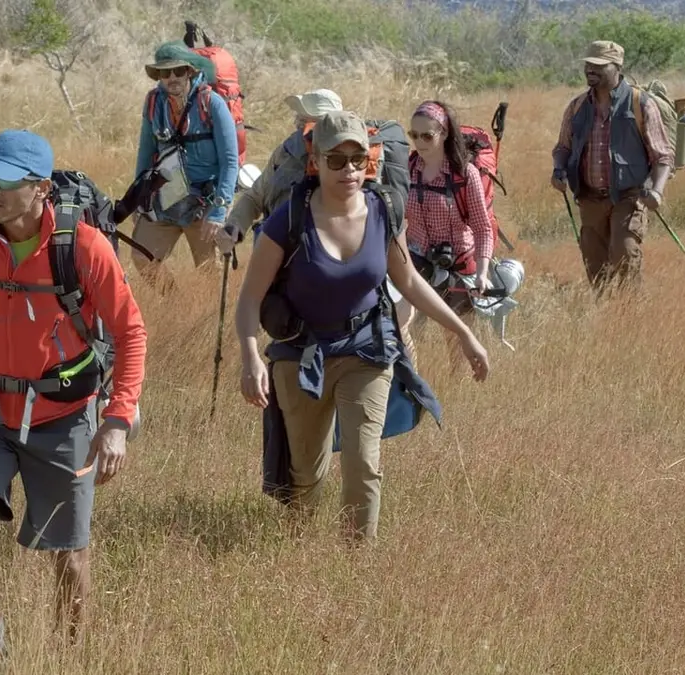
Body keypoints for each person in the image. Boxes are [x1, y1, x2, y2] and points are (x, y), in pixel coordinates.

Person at [0, 129, 148, 660]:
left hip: (65, 417)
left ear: (40, 188)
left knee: (69, 558)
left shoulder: (83, 247)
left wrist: (117, 419)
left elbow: (130, 332)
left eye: (5, 180)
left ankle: (68, 657)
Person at [234, 110, 491, 542]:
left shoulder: (382, 210)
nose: (349, 170)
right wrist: (249, 359)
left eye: (358, 159)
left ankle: (358, 562)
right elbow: (249, 300)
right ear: (315, 161)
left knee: (362, 460)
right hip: (301, 355)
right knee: (305, 475)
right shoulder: (288, 219)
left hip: (366, 351)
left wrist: (463, 333)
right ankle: (298, 547)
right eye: (336, 160)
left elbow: (408, 281)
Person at [551, 40, 675, 292]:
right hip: (589, 198)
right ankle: (606, 317)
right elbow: (562, 147)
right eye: (587, 65)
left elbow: (662, 156)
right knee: (595, 267)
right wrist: (558, 170)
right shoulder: (576, 107)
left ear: (617, 67)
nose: (590, 70)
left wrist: (657, 192)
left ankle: (631, 315)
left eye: (598, 66)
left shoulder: (641, 104)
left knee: (625, 254)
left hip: (629, 196)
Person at [130, 40, 239, 288]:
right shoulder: (153, 104)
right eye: (165, 73)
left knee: (209, 273)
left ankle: (205, 323)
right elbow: (145, 154)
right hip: (166, 196)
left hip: (205, 203)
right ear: (159, 76)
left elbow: (230, 162)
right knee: (141, 255)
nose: (172, 77)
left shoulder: (212, 104)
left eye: (178, 71)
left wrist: (220, 211)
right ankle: (173, 303)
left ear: (190, 71)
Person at [399, 100, 495, 369]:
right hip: (416, 260)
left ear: (444, 133)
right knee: (400, 325)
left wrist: (482, 273)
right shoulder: (408, 170)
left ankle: (458, 393)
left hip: (459, 263)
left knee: (457, 344)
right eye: (414, 135)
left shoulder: (466, 174)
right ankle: (411, 383)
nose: (420, 141)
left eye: (427, 135)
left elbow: (482, 227)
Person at [222, 88, 344, 246]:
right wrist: (235, 225)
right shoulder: (286, 151)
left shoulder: (349, 162)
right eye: (299, 119)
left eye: (303, 120)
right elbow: (255, 196)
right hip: (277, 249)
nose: (298, 125)